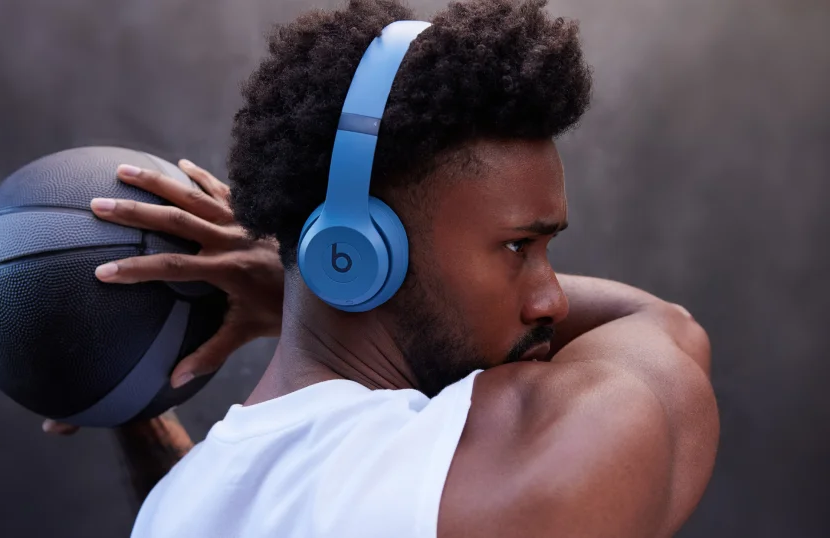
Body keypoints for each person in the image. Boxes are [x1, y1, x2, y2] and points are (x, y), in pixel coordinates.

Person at [46, 1, 719, 536]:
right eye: (518, 248)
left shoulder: (173, 513)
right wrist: (288, 278)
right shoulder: (518, 462)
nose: (551, 301)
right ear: (358, 255)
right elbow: (665, 327)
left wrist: (302, 282)